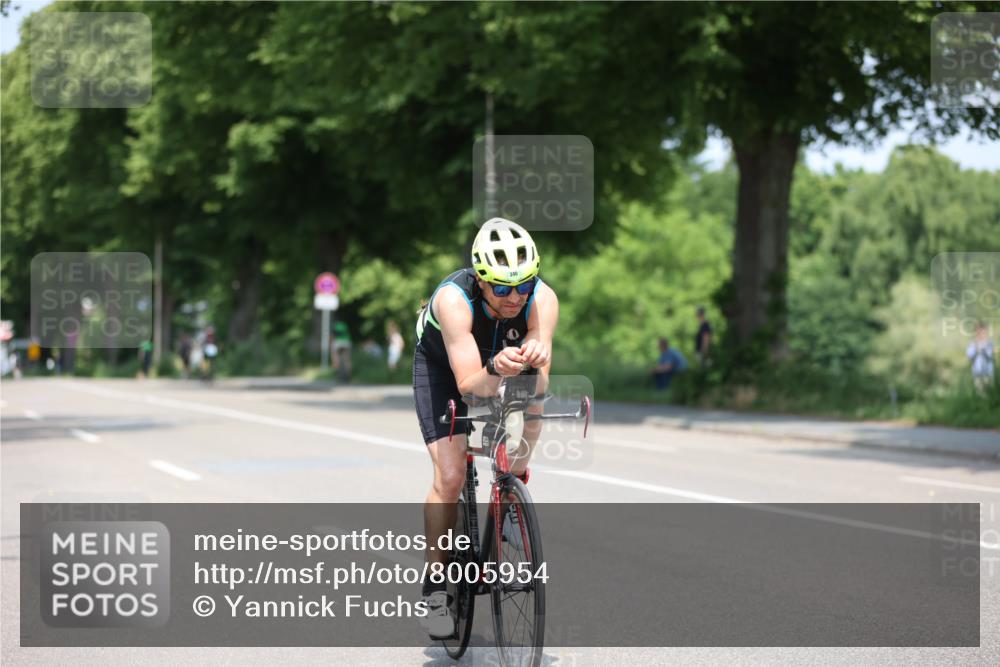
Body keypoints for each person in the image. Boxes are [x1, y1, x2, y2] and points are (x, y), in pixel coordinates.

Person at [412, 217, 556, 639]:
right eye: (501, 288)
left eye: (523, 285)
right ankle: (436, 585)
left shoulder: (542, 299)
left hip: (499, 358)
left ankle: (512, 490)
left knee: (533, 398)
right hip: (445, 367)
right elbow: (471, 388)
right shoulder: (453, 301)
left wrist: (531, 369)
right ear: (479, 279)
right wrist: (494, 367)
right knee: (452, 475)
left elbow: (538, 380)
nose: (515, 298)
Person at [967, 322, 995, 392]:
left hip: (987, 371)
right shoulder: (972, 343)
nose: (981, 333)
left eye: (983, 331)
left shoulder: (990, 343)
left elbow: (990, 355)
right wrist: (976, 350)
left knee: (989, 390)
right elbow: (970, 356)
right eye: (979, 331)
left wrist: (984, 350)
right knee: (979, 391)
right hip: (977, 372)